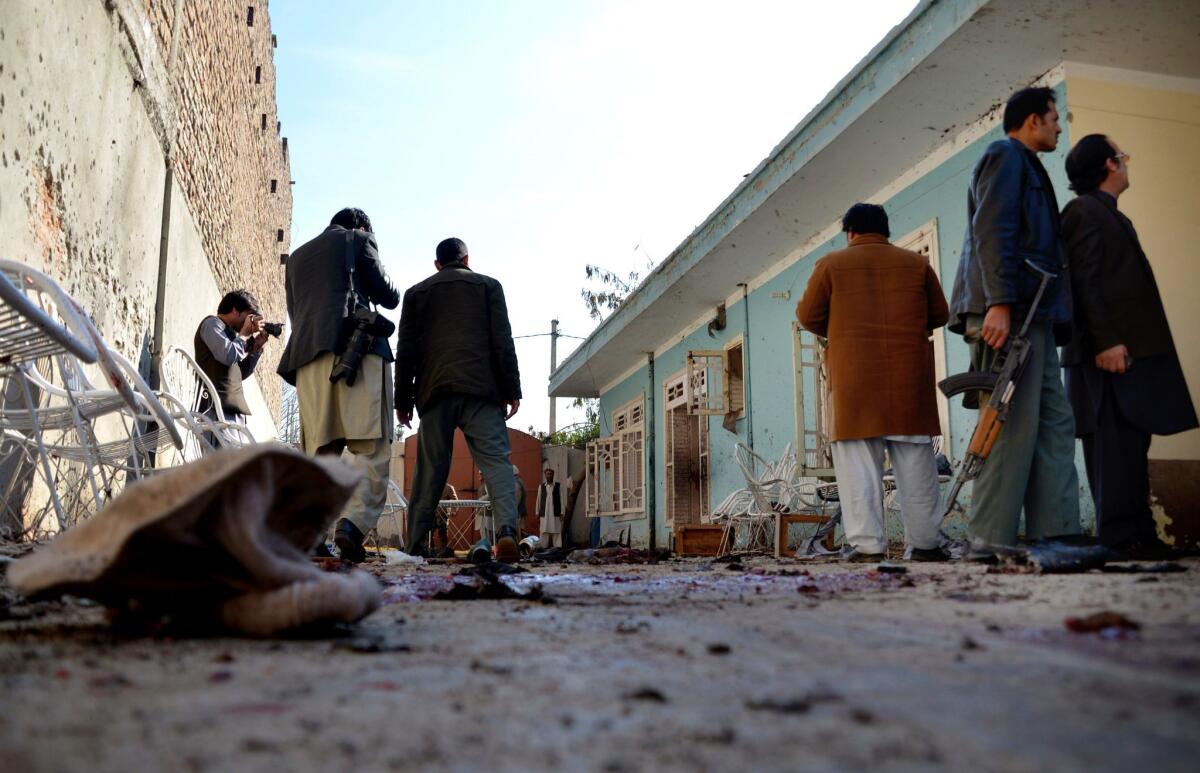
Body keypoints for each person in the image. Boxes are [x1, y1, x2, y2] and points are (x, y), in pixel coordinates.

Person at [947, 86, 1081, 547]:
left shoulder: (1027, 165)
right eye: (1053, 117)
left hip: (1035, 313)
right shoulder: (1005, 156)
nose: (1059, 126)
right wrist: (999, 303)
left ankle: (1056, 533)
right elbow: (992, 229)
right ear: (1031, 121)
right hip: (1011, 313)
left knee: (1053, 423)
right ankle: (988, 540)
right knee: (1008, 426)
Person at [1060, 135, 1198, 556]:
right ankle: (1120, 539)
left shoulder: (1109, 214)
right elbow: (1084, 281)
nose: (1126, 164)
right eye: (1123, 157)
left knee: (1133, 444)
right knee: (1113, 450)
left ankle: (1142, 536)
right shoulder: (1083, 211)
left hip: (1127, 356)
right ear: (1109, 165)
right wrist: (1106, 342)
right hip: (1107, 356)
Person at [796, 203, 950, 562]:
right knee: (917, 468)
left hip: (854, 384)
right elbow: (940, 314)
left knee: (859, 471)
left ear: (850, 232)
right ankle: (926, 545)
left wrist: (840, 331)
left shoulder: (831, 265)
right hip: (907, 381)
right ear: (885, 231)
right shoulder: (917, 265)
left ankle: (867, 547)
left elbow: (807, 316)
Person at [276, 207, 400, 562]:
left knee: (320, 455)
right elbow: (389, 295)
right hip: (358, 353)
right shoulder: (361, 239)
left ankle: (309, 534)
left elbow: (295, 311)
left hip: (309, 359)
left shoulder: (297, 257)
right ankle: (352, 525)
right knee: (372, 448)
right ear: (361, 225)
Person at [397, 237, 522, 562]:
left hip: (434, 390)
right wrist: (513, 389)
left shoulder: (416, 293)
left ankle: (415, 546)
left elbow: (406, 350)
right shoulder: (489, 286)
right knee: (496, 462)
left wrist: (402, 400)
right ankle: (507, 532)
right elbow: (502, 340)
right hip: (482, 390)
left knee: (429, 470)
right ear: (467, 260)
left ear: (437, 264)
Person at [193, 289, 270, 429]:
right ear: (235, 311)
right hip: (214, 412)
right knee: (219, 452)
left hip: (233, 414)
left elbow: (239, 374)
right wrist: (245, 334)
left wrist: (256, 349)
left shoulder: (233, 336)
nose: (250, 323)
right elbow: (228, 356)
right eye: (249, 317)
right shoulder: (212, 324)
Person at [535, 467, 566, 550]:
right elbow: (538, 500)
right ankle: (543, 548)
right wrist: (537, 513)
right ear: (545, 475)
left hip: (555, 513)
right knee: (544, 531)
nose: (549, 475)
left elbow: (562, 500)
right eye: (547, 474)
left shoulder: (558, 486)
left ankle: (557, 548)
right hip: (544, 514)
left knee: (556, 531)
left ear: (553, 475)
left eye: (550, 474)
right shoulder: (541, 487)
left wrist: (562, 512)